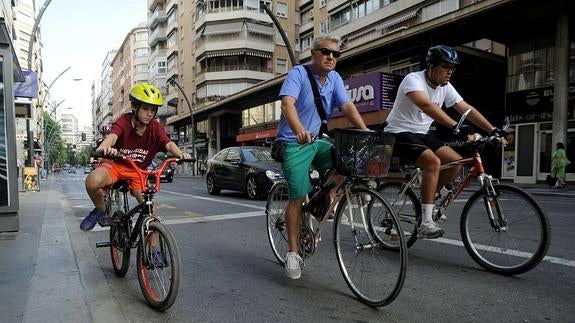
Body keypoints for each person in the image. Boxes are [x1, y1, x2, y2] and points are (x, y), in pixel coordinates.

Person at [384, 45, 506, 239]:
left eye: (453, 67)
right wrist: (456, 126)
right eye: (445, 66)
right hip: (398, 132)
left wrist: (492, 129)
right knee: (433, 162)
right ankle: (425, 222)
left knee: (455, 163)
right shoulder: (413, 80)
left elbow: (466, 108)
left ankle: (429, 201)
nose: (450, 71)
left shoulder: (445, 87)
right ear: (431, 66)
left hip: (421, 133)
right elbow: (426, 106)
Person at [275, 34, 368, 279]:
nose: (331, 57)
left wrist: (365, 131)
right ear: (313, 53)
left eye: (336, 54)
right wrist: (298, 131)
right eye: (326, 52)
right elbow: (287, 104)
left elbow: (347, 106)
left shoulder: (335, 78)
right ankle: (293, 253)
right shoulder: (298, 73)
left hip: (316, 141)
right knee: (296, 197)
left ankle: (323, 197)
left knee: (346, 161)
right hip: (293, 142)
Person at [81, 83, 192, 231]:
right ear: (134, 107)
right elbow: (113, 137)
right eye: (145, 108)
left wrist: (181, 154)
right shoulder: (124, 121)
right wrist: (103, 149)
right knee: (92, 181)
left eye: (153, 110)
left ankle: (152, 252)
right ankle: (100, 209)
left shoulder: (156, 128)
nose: (149, 113)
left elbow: (169, 144)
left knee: (151, 210)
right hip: (115, 166)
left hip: (137, 172)